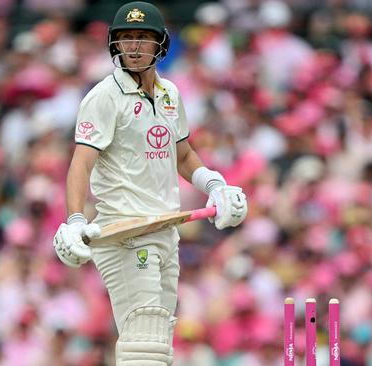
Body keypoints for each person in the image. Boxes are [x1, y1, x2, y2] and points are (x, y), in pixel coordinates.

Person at [52, 1, 248, 364]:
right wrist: (75, 219)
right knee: (143, 343)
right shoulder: (103, 98)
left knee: (158, 341)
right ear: (115, 45)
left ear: (161, 44)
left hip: (164, 229)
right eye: (127, 38)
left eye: (143, 37)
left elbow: (184, 155)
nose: (135, 46)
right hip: (124, 231)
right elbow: (80, 164)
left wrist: (216, 186)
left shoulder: (170, 94)